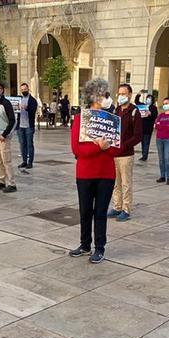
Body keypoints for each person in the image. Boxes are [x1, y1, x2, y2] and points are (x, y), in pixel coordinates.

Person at [69, 78, 119, 264]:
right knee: (85, 212)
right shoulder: (80, 119)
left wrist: (107, 147)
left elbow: (116, 149)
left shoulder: (112, 120)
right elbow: (77, 150)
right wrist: (99, 147)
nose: (107, 98)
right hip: (85, 173)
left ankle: (99, 248)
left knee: (100, 213)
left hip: (106, 174)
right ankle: (84, 245)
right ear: (93, 97)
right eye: (104, 95)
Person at [106, 83, 142, 221]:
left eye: (123, 94)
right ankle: (117, 206)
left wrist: (124, 145)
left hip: (126, 154)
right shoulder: (116, 111)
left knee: (126, 183)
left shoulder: (134, 112)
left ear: (130, 95)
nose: (121, 96)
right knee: (115, 183)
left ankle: (126, 209)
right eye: (119, 94)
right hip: (114, 154)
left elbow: (137, 136)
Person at [15, 82, 39, 171]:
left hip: (29, 126)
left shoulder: (32, 100)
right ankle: (24, 161)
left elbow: (33, 111)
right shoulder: (19, 99)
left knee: (29, 145)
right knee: (22, 144)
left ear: (28, 89)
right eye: (22, 90)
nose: (23, 91)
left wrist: (26, 108)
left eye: (25, 89)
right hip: (20, 126)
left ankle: (30, 162)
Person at [155, 96, 169, 184]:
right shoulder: (161, 115)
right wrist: (164, 125)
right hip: (159, 139)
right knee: (161, 159)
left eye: (166, 103)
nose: (165, 105)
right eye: (164, 104)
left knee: (167, 158)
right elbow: (156, 126)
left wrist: (161, 126)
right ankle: (162, 176)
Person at [138, 89, 156, 162]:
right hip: (142, 127)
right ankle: (143, 154)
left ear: (152, 100)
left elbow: (155, 116)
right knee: (142, 142)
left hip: (148, 129)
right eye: (147, 98)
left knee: (146, 142)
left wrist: (150, 113)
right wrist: (139, 94)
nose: (148, 100)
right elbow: (137, 101)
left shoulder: (153, 108)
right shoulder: (143, 106)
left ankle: (145, 156)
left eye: (150, 99)